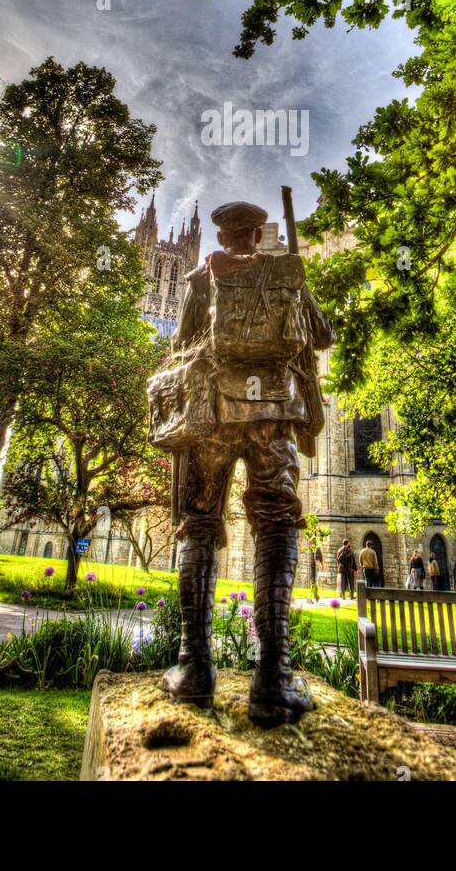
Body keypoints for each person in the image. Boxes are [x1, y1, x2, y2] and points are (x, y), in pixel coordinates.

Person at [149, 198, 334, 726]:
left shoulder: (199, 277)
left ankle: (193, 668)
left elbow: (183, 342)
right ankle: (273, 678)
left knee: (201, 523)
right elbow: (323, 335)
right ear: (257, 236)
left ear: (223, 236)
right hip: (274, 412)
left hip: (211, 411)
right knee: (277, 522)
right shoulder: (285, 274)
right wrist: (296, 281)